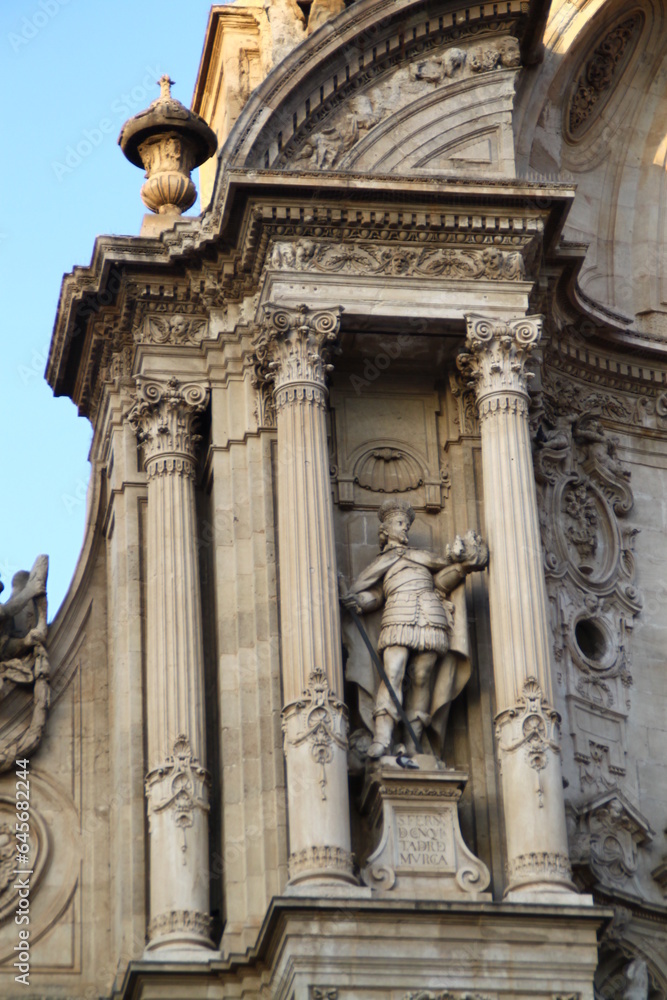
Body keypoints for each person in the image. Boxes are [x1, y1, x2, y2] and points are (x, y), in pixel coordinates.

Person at [341, 500, 487, 758]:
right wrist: (358, 601)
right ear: (385, 530)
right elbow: (375, 594)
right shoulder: (383, 562)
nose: (405, 528)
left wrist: (462, 566)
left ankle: (412, 742)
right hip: (397, 612)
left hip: (430, 613)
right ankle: (383, 738)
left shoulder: (423, 557)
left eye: (407, 524)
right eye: (400, 524)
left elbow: (440, 582)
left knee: (421, 675)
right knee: (394, 670)